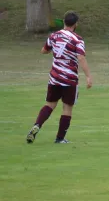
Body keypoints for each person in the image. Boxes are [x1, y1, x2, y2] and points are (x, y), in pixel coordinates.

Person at [26, 11, 93, 144]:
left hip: (55, 78)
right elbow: (81, 57)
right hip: (69, 79)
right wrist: (88, 76)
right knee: (67, 108)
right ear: (76, 24)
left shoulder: (54, 36)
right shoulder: (77, 39)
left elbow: (44, 51)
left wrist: (54, 49)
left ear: (64, 22)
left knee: (50, 105)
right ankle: (60, 138)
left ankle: (37, 125)